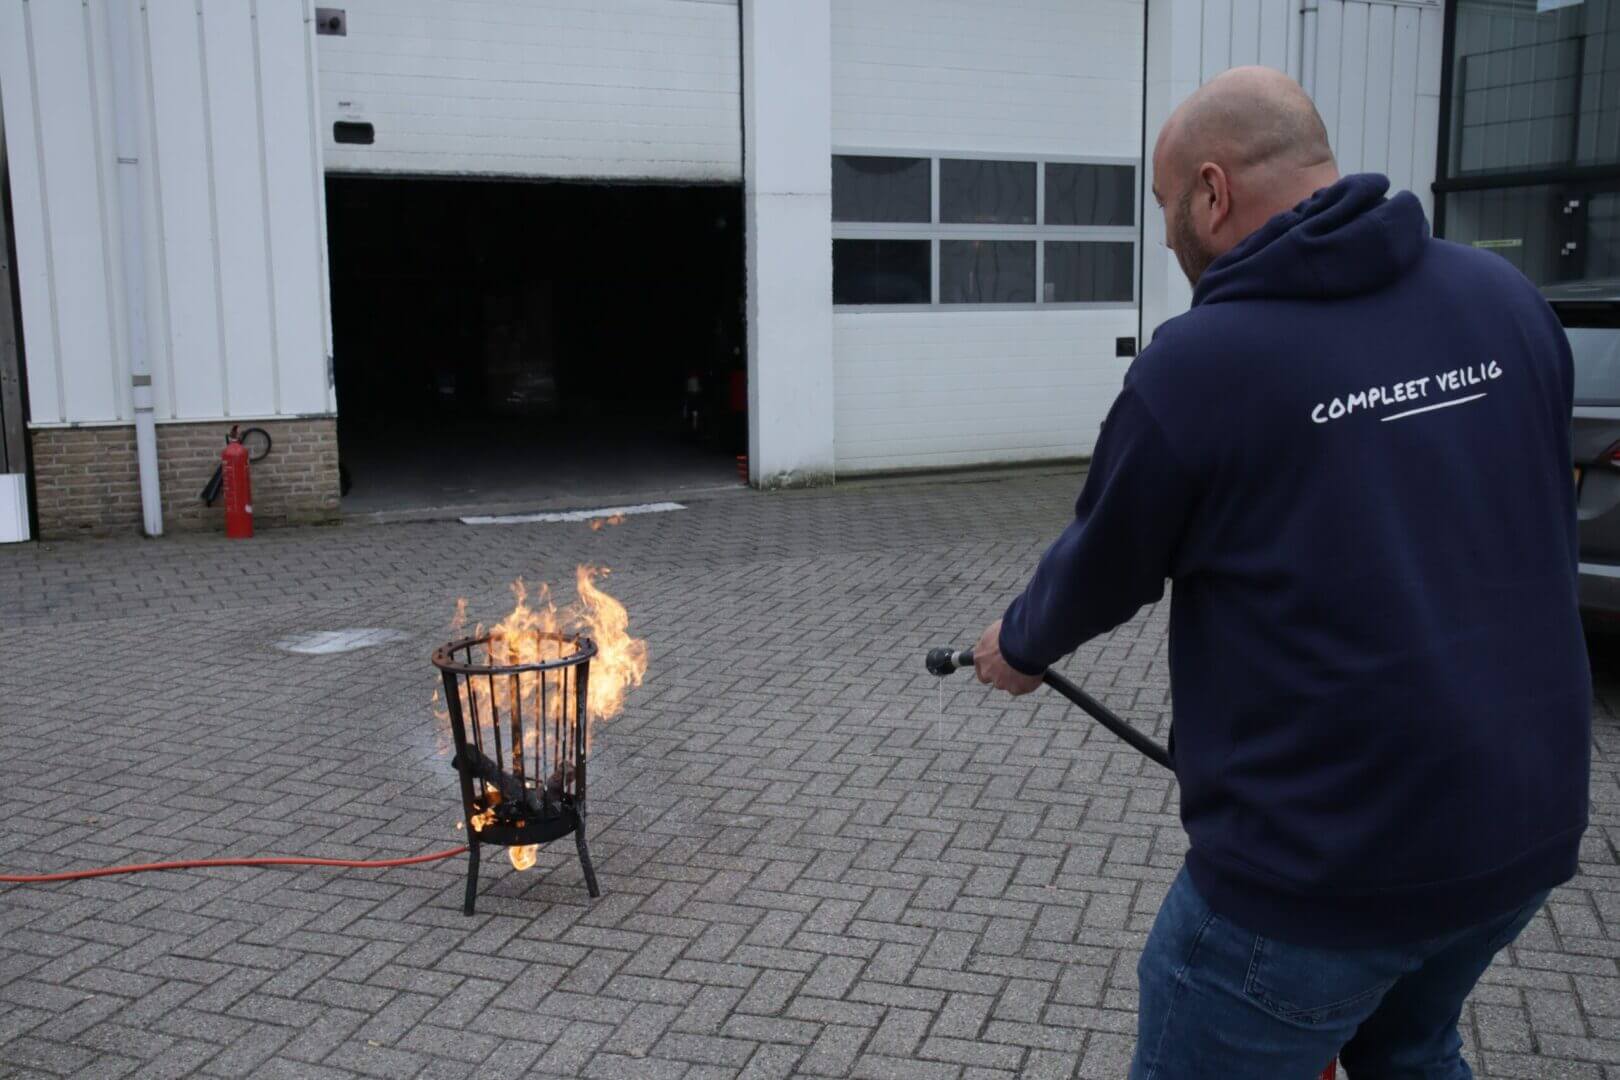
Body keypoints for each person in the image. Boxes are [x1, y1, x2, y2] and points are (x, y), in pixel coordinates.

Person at [972, 66, 1591, 1079]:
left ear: (1212, 193)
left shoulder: (1202, 364)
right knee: (1409, 1049)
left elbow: (1106, 560)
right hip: (1521, 832)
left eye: (1167, 206)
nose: (1169, 235)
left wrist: (1023, 643)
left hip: (1323, 877)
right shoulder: (1506, 301)